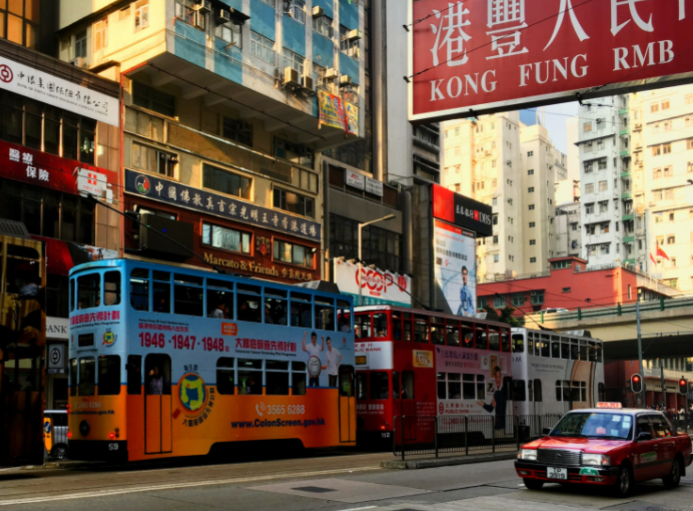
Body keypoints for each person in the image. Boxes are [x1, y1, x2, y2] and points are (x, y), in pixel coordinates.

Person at [477, 366, 507, 431]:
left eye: (499, 377)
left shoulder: (504, 391)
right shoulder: (496, 393)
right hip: (497, 425)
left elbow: (504, 409)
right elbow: (491, 408)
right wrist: (483, 404)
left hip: (502, 426)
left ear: (501, 377)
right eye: (496, 377)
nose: (498, 379)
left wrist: (496, 405)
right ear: (495, 378)